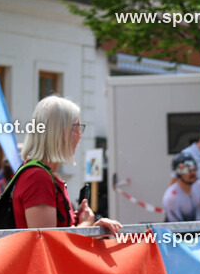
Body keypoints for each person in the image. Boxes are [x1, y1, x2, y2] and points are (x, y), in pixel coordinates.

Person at [14, 95, 121, 232]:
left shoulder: (48, 175)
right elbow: (47, 241)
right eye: (77, 127)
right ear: (60, 132)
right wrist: (86, 225)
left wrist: (94, 230)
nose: (80, 135)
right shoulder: (38, 177)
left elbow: (62, 236)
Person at [163, 153, 200, 222]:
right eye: (187, 170)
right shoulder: (171, 197)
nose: (192, 173)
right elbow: (175, 226)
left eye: (194, 168)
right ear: (178, 172)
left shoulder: (199, 186)